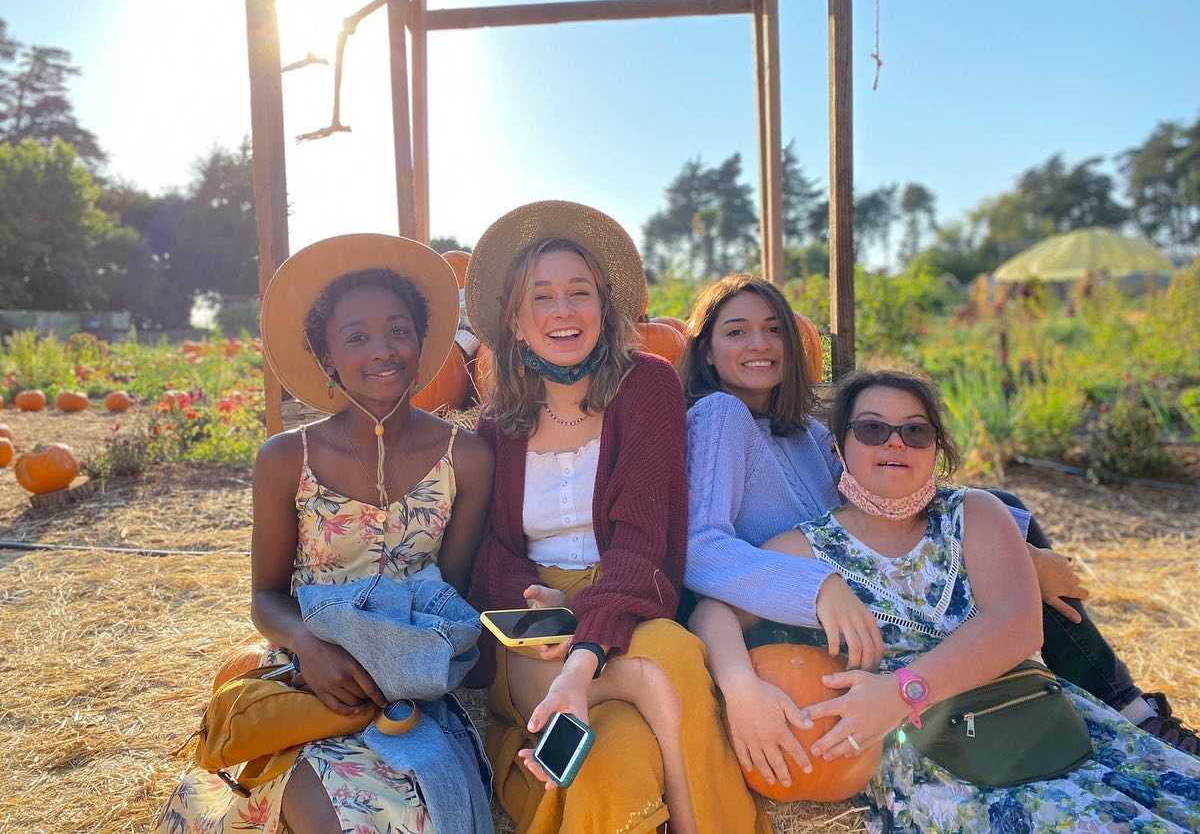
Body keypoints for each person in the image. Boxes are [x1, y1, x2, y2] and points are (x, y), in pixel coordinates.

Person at [679, 273, 1198, 788]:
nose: (760, 344)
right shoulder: (720, 415)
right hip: (790, 612)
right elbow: (700, 548)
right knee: (1004, 524)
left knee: (1005, 509)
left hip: (856, 585)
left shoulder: (807, 433)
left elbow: (878, 497)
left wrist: (1015, 552)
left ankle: (1105, 700)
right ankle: (1126, 707)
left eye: (773, 330)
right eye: (737, 331)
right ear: (705, 351)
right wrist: (815, 589)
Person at [157, 234, 494, 834]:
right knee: (337, 816)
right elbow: (265, 597)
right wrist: (311, 650)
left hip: (410, 687)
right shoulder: (287, 457)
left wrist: (410, 662)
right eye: (356, 337)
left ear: (423, 341)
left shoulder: (465, 457)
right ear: (326, 356)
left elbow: (455, 595)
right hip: (309, 681)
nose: (381, 350)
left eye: (397, 330)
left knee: (428, 810)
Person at [465, 201, 767, 834]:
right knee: (667, 671)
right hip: (537, 626)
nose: (563, 311)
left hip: (626, 603)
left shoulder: (648, 387)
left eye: (579, 293)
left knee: (621, 744)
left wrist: (585, 661)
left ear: (604, 309)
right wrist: (534, 599)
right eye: (541, 298)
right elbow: (487, 552)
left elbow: (642, 546)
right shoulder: (495, 425)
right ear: (516, 323)